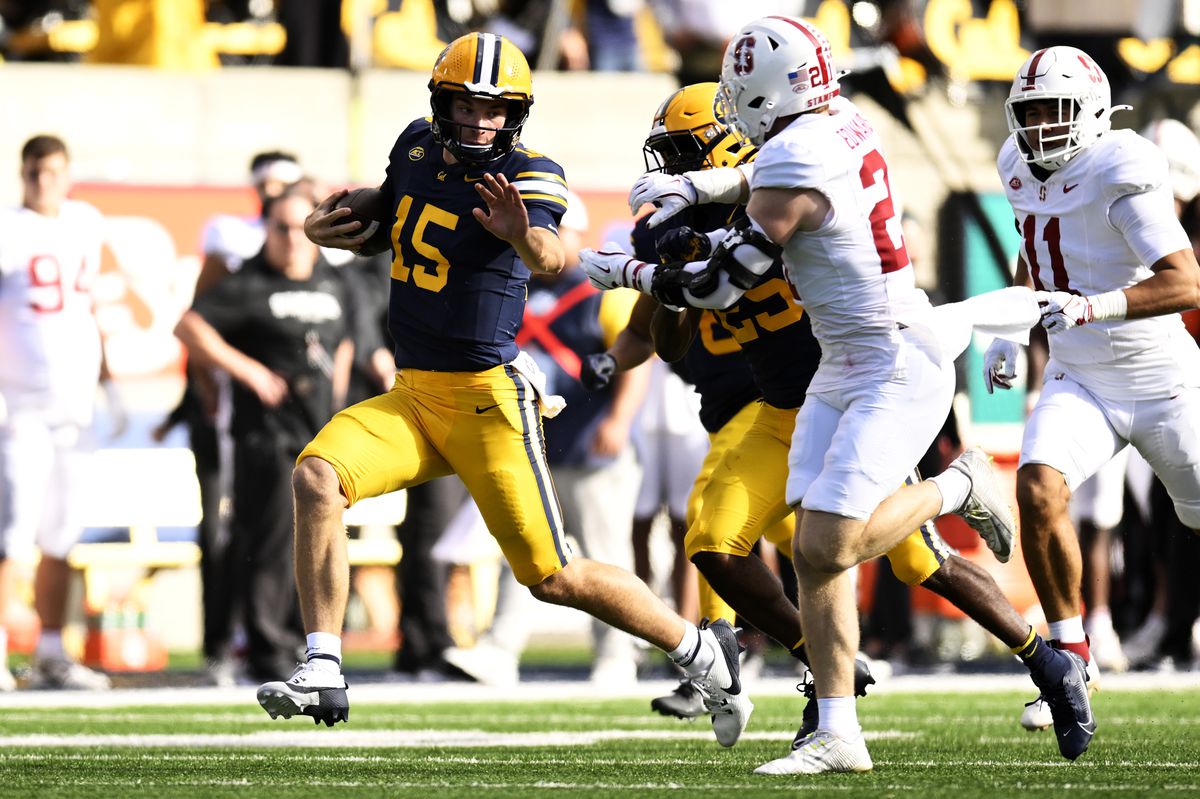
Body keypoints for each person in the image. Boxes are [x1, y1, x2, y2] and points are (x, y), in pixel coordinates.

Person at [580, 16, 1087, 773]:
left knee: (835, 545)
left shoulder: (791, 159)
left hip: (886, 363)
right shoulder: (837, 122)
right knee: (817, 559)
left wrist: (626, 272)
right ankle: (837, 729)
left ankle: (959, 484)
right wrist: (695, 187)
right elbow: (760, 177)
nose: (728, 112)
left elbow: (719, 284)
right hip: (838, 370)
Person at [254, 32, 751, 748]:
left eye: (496, 108)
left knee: (553, 575)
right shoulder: (416, 149)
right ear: (440, 102)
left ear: (516, 112)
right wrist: (326, 222)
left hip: (489, 399)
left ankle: (701, 651)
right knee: (316, 476)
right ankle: (324, 665)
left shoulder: (531, 172)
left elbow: (552, 255)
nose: (481, 120)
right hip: (413, 393)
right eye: (466, 104)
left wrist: (521, 233)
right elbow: (390, 211)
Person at [983, 45, 1200, 727]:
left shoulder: (1121, 163)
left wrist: (1093, 304)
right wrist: (1010, 328)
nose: (1041, 126)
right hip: (1081, 376)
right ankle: (1072, 658)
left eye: (1056, 110)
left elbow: (1185, 279)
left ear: (1094, 110)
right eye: (1030, 112)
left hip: (1163, 380)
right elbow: (1037, 246)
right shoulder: (1016, 164)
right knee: (1038, 489)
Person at [443, 190, 651, 686]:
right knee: (528, 548)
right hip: (532, 440)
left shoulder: (603, 290)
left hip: (590, 442)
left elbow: (637, 357)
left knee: (604, 552)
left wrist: (618, 421)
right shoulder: (510, 286)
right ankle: (499, 649)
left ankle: (617, 655)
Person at [174, 186, 356, 683]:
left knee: (318, 538)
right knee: (272, 538)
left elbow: (346, 342)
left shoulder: (332, 281)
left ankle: (300, 642)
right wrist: (248, 371)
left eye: (302, 227)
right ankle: (265, 648)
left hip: (318, 433)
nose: (293, 239)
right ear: (266, 232)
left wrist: (336, 398)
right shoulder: (250, 283)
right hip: (263, 434)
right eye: (281, 228)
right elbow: (190, 327)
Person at [0, 134, 114, 691]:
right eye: (33, 173)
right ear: (22, 175)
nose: (42, 182)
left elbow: (92, 307)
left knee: (62, 534)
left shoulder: (86, 222)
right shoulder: (9, 228)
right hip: (20, 404)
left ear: (67, 174)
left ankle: (50, 650)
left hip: (75, 405)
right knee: (14, 532)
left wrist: (109, 377)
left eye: (51, 172)